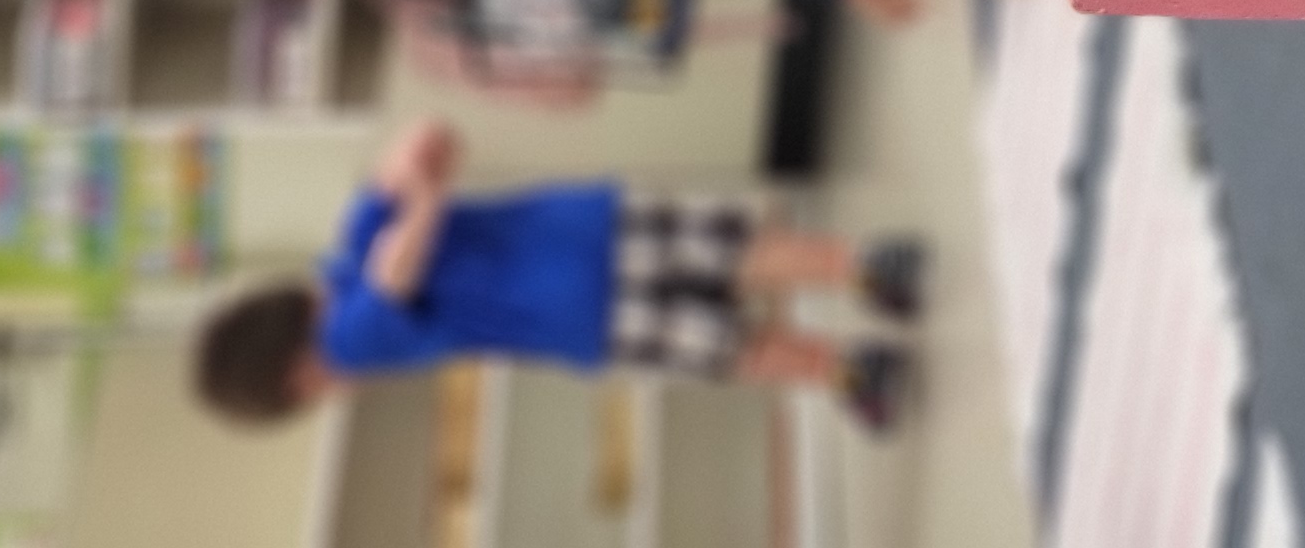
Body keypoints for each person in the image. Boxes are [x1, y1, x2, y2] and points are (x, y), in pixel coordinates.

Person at [188, 120, 925, 430]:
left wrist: (428, 202)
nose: (327, 392)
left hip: (580, 319)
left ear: (294, 375)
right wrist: (422, 169)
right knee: (739, 254)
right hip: (584, 224)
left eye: (309, 396)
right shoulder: (347, 243)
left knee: (731, 347)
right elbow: (421, 140)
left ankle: (852, 370)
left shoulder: (348, 342)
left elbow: (395, 278)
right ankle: (869, 267)